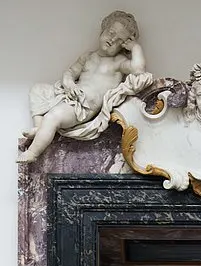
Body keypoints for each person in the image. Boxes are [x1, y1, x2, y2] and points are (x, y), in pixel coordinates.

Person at [18, 11, 147, 163]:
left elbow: (138, 69)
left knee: (53, 117)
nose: (112, 40)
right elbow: (70, 72)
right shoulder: (88, 57)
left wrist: (136, 47)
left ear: (125, 45)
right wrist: (69, 83)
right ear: (103, 30)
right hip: (69, 95)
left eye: (120, 40)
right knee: (38, 89)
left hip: (83, 107)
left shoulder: (118, 62)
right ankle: (39, 127)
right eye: (111, 33)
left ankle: (33, 153)